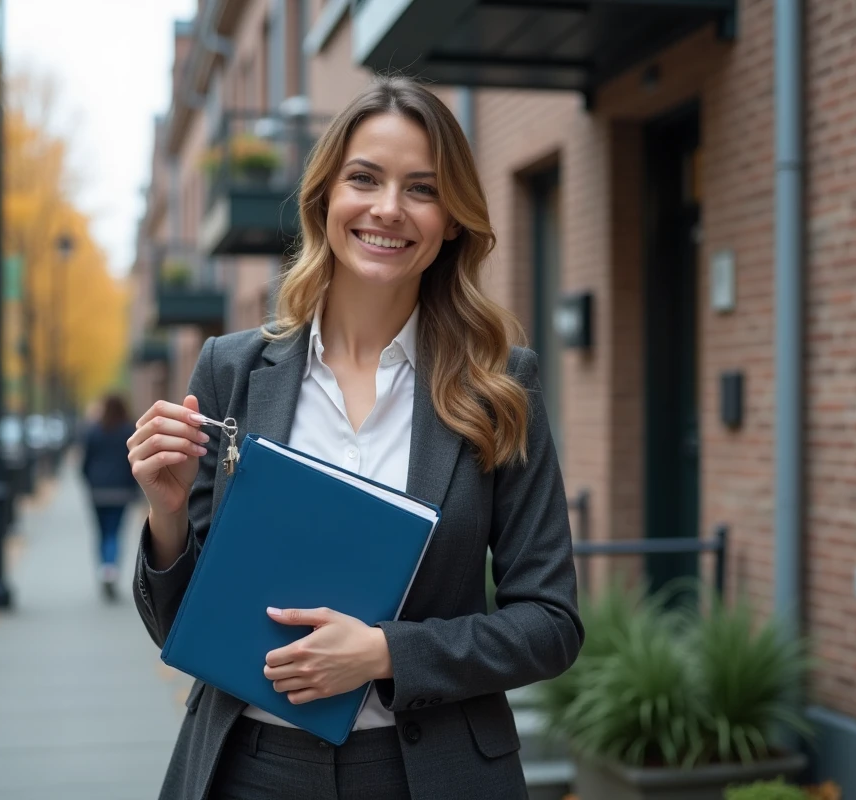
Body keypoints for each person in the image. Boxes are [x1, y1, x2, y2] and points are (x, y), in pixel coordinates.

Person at [128, 76, 583, 800]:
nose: (388, 209)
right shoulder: (233, 371)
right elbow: (182, 627)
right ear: (325, 199)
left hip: (427, 776)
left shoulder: (501, 385)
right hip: (248, 768)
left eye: (422, 190)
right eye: (364, 178)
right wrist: (167, 512)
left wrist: (384, 653)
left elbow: (551, 623)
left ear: (453, 221)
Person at [81, 394, 137, 598]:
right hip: (121, 490)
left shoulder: (95, 431)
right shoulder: (129, 430)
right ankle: (111, 568)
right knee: (115, 531)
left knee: (102, 532)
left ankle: (105, 568)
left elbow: (85, 461)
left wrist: (89, 481)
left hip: (98, 489)